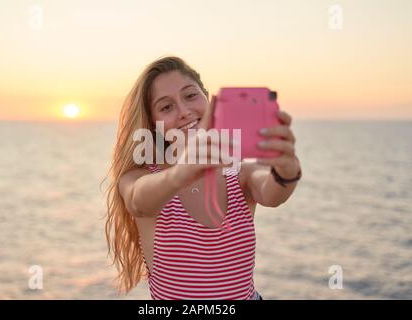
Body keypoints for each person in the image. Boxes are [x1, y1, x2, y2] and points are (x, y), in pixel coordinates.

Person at [103, 56, 302, 300]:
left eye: (190, 96)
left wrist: (287, 170)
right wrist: (181, 171)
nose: (185, 112)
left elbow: (272, 192)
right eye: (166, 107)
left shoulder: (240, 173)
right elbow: (137, 200)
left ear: (207, 98)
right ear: (153, 124)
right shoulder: (141, 176)